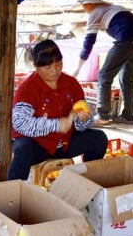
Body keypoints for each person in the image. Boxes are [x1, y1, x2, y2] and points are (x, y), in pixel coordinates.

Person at [7, 39, 108, 181]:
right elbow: (21, 124)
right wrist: (57, 125)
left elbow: (81, 123)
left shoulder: (71, 84)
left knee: (98, 138)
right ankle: (13, 193)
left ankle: (89, 183)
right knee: (23, 148)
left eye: (58, 63)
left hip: (65, 145)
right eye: (47, 67)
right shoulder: (28, 89)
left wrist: (83, 120)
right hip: (38, 145)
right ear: (36, 66)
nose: (55, 70)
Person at [71, 0, 133, 125]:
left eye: (84, 5)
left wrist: (77, 69)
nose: (84, 8)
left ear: (89, 4)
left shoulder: (94, 14)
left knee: (104, 75)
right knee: (127, 78)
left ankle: (102, 116)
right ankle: (127, 116)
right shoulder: (114, 8)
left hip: (127, 40)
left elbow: (88, 44)